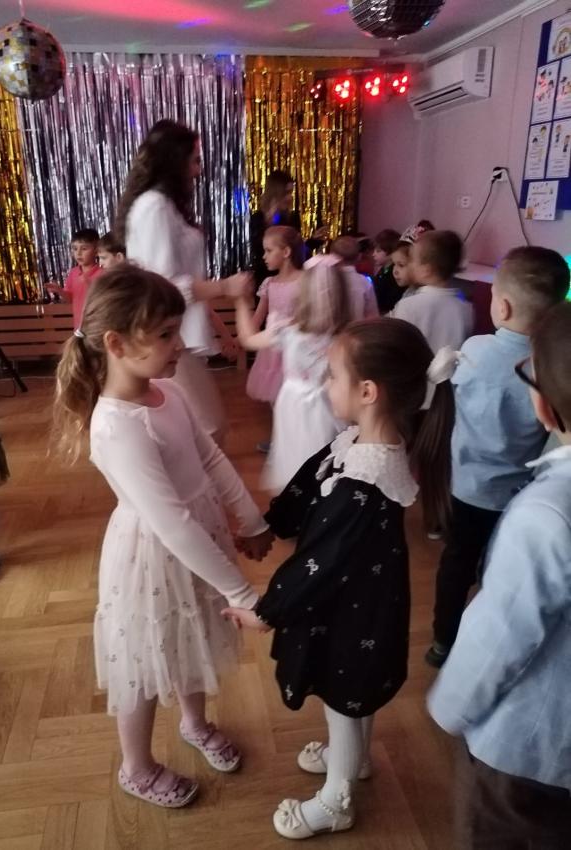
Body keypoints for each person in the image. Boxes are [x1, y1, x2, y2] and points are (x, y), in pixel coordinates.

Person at [223, 319, 455, 840]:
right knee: (352, 691)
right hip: (359, 603)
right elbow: (310, 482)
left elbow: (318, 562)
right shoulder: (361, 445)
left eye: (332, 375)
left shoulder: (364, 488)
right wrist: (270, 525)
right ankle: (354, 759)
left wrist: (266, 612)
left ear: (368, 392)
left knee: (343, 697)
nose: (325, 384)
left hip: (352, 611)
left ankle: (337, 799)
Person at [53, 264, 273, 809]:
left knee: (191, 636)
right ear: (117, 344)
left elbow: (211, 458)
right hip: (153, 554)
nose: (180, 344)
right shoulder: (116, 425)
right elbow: (170, 521)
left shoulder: (167, 392)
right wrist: (241, 592)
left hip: (197, 540)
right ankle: (136, 765)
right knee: (146, 660)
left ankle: (194, 723)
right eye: (166, 334)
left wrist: (251, 519)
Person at [427, 301, 571, 850]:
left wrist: (449, 707)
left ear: (544, 406)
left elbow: (502, 634)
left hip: (528, 753)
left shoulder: (547, 514)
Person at [425, 246, 570, 668]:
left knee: (456, 562)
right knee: (499, 569)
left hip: (466, 487)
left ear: (502, 306)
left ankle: (443, 641)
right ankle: (490, 641)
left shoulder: (476, 349)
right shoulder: (548, 368)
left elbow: (443, 384)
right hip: (519, 496)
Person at [113, 119, 250, 447]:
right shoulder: (154, 206)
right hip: (168, 335)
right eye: (194, 160)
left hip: (177, 335)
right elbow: (162, 286)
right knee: (208, 430)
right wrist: (225, 287)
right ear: (174, 161)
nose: (198, 170)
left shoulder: (162, 206)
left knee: (200, 432)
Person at [236, 255, 353, 494]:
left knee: (296, 452)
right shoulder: (348, 336)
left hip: (294, 403)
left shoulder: (287, 331)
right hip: (331, 403)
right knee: (326, 453)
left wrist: (240, 302)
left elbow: (248, 339)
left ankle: (298, 494)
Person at [246, 226, 304, 406]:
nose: (264, 256)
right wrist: (242, 338)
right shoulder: (269, 283)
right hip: (272, 348)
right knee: (276, 396)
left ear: (286, 252)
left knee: (296, 395)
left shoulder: (305, 280)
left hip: (296, 346)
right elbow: (258, 316)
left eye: (269, 251)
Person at [392, 230, 473, 352]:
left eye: (413, 260)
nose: (411, 265)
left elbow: (395, 347)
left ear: (426, 270)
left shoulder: (407, 306)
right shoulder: (466, 309)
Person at [249, 170, 327, 285]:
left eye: (291, 193)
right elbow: (257, 251)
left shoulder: (292, 219)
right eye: (287, 193)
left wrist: (313, 241)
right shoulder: (257, 219)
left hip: (290, 280)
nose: (290, 197)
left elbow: (296, 252)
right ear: (276, 193)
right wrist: (270, 220)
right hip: (264, 279)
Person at [46, 228, 102, 330]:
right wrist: (59, 290)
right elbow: (70, 299)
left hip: (98, 327)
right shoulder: (73, 272)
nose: (78, 253)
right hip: (79, 327)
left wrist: (90, 285)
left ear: (96, 251)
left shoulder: (103, 273)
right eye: (75, 249)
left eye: (84, 248)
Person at [331, 236, 379, 320]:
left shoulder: (328, 280)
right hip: (358, 327)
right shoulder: (365, 282)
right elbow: (372, 314)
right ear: (359, 257)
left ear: (332, 257)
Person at [371, 228, 401, 313]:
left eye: (378, 251)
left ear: (391, 252)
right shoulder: (383, 270)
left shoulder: (394, 274)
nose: (373, 254)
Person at [390, 225, 424, 300]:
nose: (395, 271)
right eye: (394, 264)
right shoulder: (408, 292)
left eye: (401, 265)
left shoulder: (421, 298)